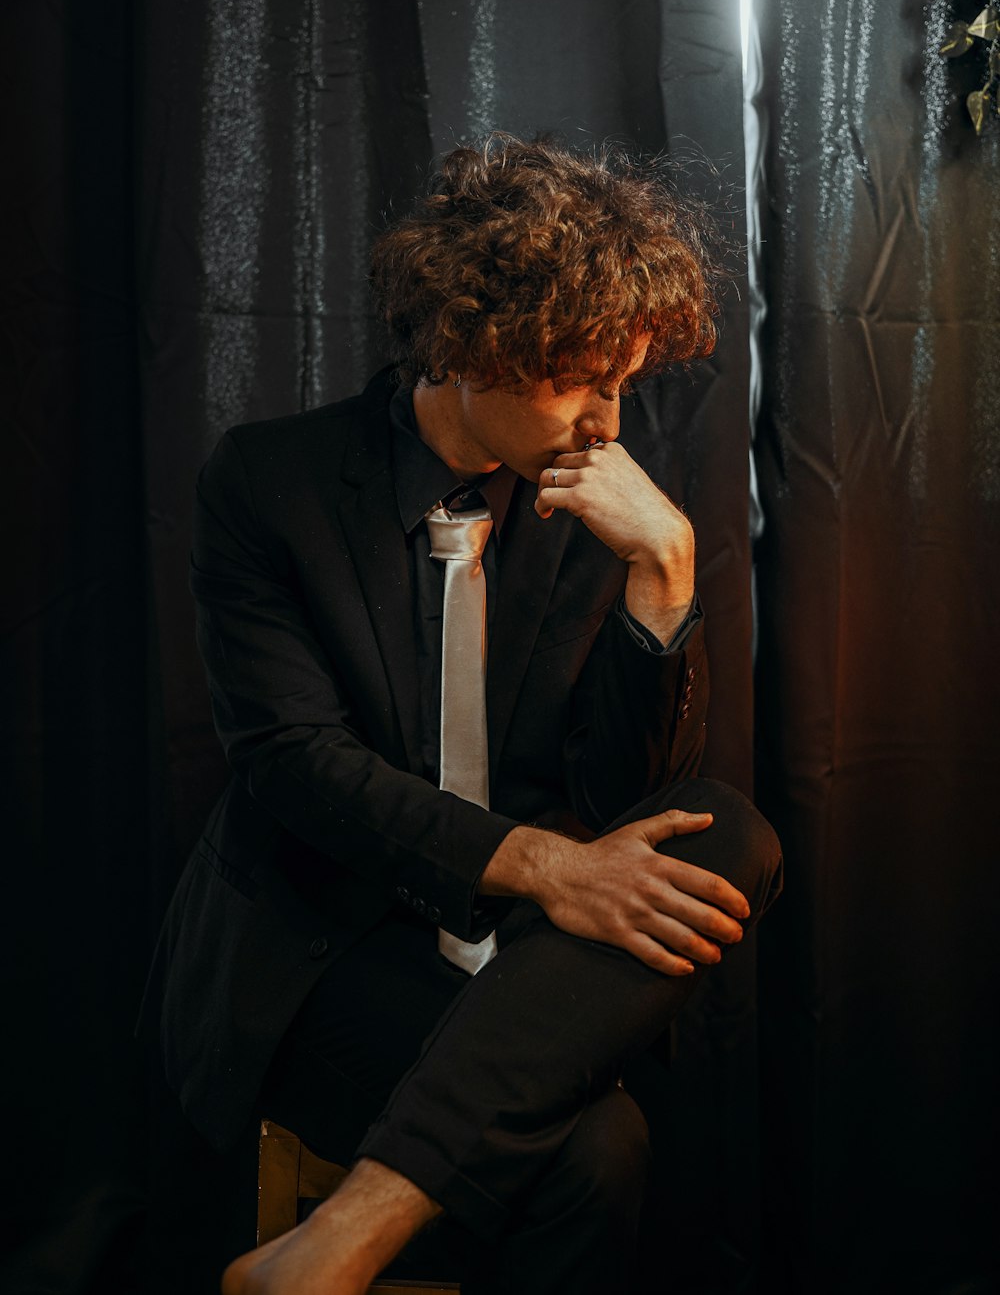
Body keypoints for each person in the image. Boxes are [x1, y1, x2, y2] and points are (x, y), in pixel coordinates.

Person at [142, 133, 783, 1295]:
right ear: (474, 344)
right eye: (585, 377)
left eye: (625, 383)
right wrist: (541, 866)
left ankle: (333, 1247)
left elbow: (627, 810)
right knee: (597, 1151)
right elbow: (295, 765)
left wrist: (666, 582)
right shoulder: (267, 485)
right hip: (323, 951)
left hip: (534, 969)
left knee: (729, 833)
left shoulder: (605, 506)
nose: (608, 421)